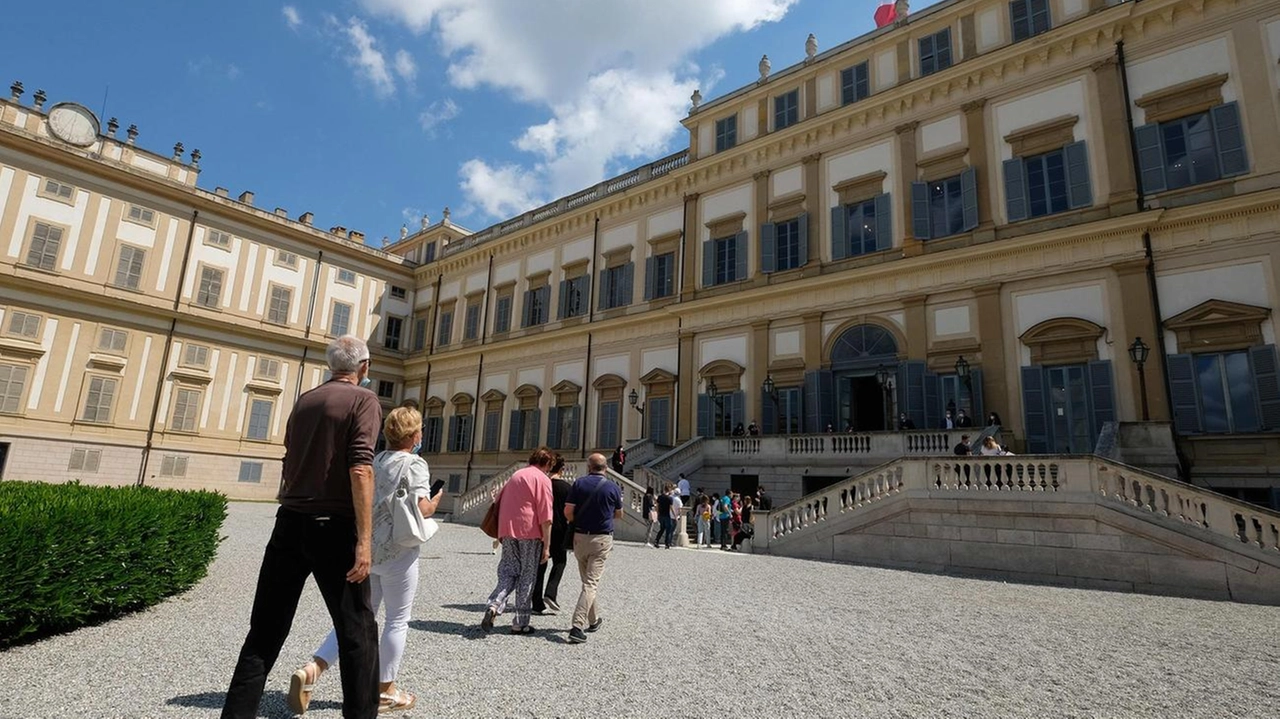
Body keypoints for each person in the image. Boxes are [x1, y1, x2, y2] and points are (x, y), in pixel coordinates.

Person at [222, 335, 382, 719]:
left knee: (264, 631)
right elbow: (361, 467)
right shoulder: (365, 400)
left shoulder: (305, 400)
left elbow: (288, 459)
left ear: (332, 367)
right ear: (364, 368)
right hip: (335, 526)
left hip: (290, 522)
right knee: (357, 631)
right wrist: (364, 540)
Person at [288, 406, 442, 715]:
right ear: (414, 436)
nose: (421, 436)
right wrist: (437, 500)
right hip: (399, 552)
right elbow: (423, 509)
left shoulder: (375, 460)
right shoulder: (415, 464)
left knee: (359, 619)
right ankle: (385, 690)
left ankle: (313, 668)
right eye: (420, 431)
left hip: (368, 551)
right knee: (397, 619)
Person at [482, 448, 554, 635]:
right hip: (530, 533)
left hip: (508, 531)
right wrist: (547, 545)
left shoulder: (516, 475)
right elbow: (546, 515)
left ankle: (494, 605)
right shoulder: (542, 479)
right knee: (527, 576)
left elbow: (498, 500)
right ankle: (520, 622)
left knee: (508, 572)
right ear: (547, 464)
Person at [565, 453, 624, 644]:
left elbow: (568, 511)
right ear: (606, 468)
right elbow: (619, 514)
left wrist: (578, 521)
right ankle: (576, 626)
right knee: (591, 584)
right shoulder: (613, 487)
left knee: (586, 582)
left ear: (589, 467)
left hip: (580, 537)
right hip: (601, 539)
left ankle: (594, 620)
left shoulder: (579, 484)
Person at [532, 454, 572, 616]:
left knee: (540, 566)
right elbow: (570, 511)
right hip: (560, 529)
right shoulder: (567, 488)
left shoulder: (543, 483)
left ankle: (537, 603)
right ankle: (550, 592)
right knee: (560, 561)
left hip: (541, 528)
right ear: (562, 469)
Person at [654, 483, 676, 549]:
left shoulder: (660, 497)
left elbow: (657, 506)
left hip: (661, 515)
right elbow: (671, 508)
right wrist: (675, 516)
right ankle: (667, 543)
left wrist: (657, 514)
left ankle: (656, 541)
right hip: (667, 515)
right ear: (669, 489)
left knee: (662, 528)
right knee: (668, 529)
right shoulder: (669, 498)